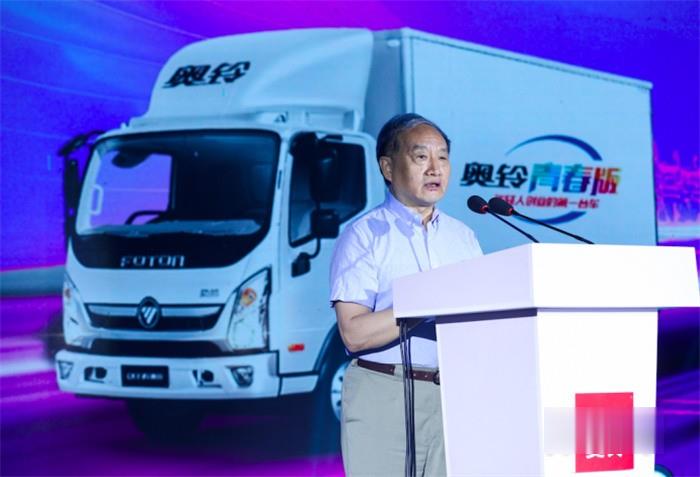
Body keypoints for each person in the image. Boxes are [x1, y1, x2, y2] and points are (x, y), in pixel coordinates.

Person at [329, 113, 483, 476]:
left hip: (453, 395)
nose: (435, 169)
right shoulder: (363, 235)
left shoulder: (463, 237)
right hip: (383, 391)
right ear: (388, 167)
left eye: (442, 157)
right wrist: (426, 301)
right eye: (421, 157)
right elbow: (353, 333)